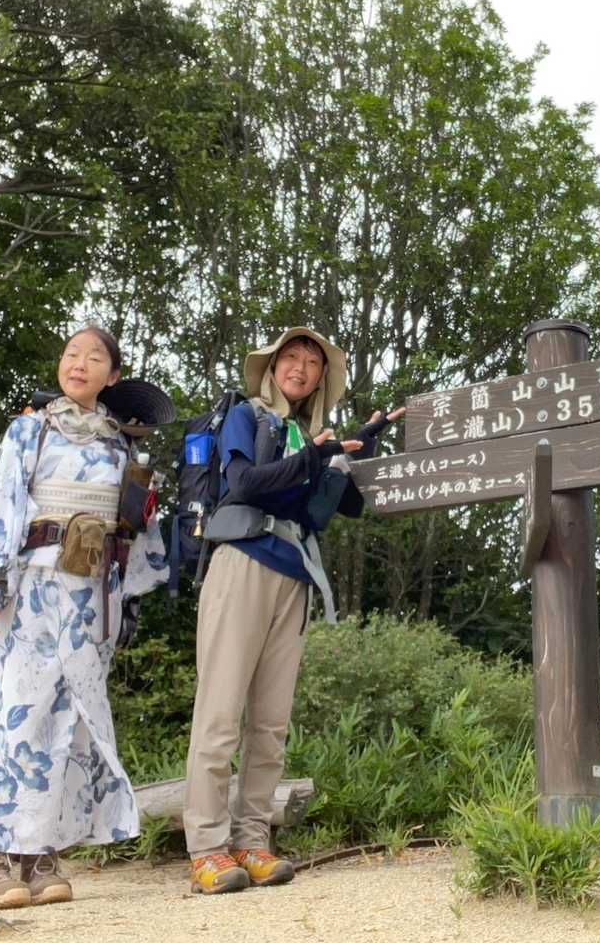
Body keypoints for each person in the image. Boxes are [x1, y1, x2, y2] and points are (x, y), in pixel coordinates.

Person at [182, 327, 399, 895]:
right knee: (220, 714)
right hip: (242, 562)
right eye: (291, 357)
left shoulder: (310, 435)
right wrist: (317, 456)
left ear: (322, 378)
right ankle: (207, 848)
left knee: (271, 723)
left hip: (295, 575)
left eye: (312, 362)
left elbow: (345, 507)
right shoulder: (247, 416)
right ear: (272, 366)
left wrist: (360, 444)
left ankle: (252, 840)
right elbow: (243, 483)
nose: (300, 368)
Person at [0, 327, 172, 911]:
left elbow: (136, 528)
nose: (79, 363)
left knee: (73, 719)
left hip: (95, 597)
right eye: (71, 354)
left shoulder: (122, 446)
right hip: (33, 586)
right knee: (17, 711)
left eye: (94, 357)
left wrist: (132, 598)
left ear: (113, 376)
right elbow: (3, 501)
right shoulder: (30, 430)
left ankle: (39, 854)